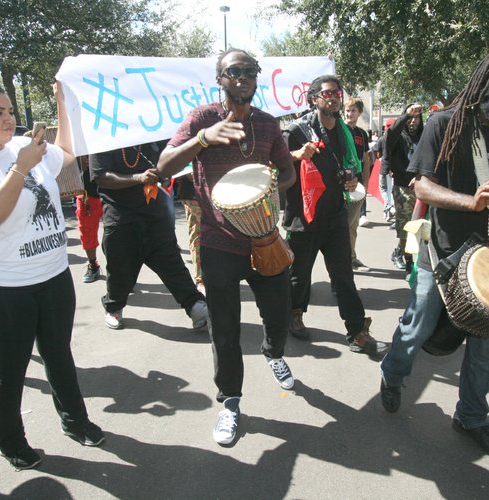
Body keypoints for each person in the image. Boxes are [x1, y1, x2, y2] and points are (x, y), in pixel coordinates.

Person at [379, 39, 489, 461]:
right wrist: (470, 201)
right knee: (419, 324)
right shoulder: (445, 123)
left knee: (485, 343)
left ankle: (472, 417)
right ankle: (393, 373)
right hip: (441, 251)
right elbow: (419, 184)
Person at [0, 77, 104, 470]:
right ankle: (9, 439)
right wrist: (19, 169)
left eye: (10, 110)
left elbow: (64, 153)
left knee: (59, 355)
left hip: (52, 274)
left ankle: (75, 422)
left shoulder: (20, 147)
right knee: (11, 367)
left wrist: (61, 99)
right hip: (2, 285)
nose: (9, 119)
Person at [157, 48, 297, 446]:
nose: (242, 77)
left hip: (264, 237)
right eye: (233, 71)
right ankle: (231, 401)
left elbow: (287, 171)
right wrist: (202, 139)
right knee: (225, 329)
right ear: (219, 78)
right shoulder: (202, 118)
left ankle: (273, 352)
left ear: (257, 78)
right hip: (217, 242)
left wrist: (270, 185)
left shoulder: (269, 125)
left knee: (278, 311)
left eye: (249, 71)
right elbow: (165, 165)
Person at [283, 74, 386, 355]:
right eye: (327, 93)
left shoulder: (346, 132)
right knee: (299, 275)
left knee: (343, 276)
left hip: (336, 216)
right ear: (314, 99)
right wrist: (295, 154)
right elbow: (275, 162)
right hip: (303, 219)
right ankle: (294, 314)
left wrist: (352, 180)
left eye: (337, 93)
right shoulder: (297, 130)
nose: (334, 97)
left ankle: (355, 330)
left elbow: (349, 166)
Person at [89, 141, 207, 330]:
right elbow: (100, 176)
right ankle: (114, 308)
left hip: (155, 214)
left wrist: (166, 174)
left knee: (172, 263)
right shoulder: (103, 139)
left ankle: (195, 306)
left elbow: (168, 163)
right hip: (120, 218)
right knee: (120, 271)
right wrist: (138, 178)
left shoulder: (149, 136)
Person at [383, 103, 424, 275]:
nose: (413, 121)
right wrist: (406, 115)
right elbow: (390, 136)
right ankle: (408, 262)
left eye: (416, 117)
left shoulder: (425, 135)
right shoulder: (398, 136)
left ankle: (420, 263)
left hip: (424, 189)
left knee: (422, 228)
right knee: (406, 229)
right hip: (403, 189)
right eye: (410, 118)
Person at [344, 96, 371, 270]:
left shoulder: (362, 133)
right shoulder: (339, 129)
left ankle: (351, 257)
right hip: (342, 183)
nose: (349, 113)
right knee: (343, 225)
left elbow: (366, 160)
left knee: (352, 225)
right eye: (347, 110)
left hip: (358, 184)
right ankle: (343, 260)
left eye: (353, 110)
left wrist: (366, 184)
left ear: (359, 112)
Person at [74, 156, 103, 283]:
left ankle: (121, 272)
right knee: (87, 233)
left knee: (118, 235)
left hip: (114, 192)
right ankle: (93, 265)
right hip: (87, 196)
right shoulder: (77, 141)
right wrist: (79, 167)